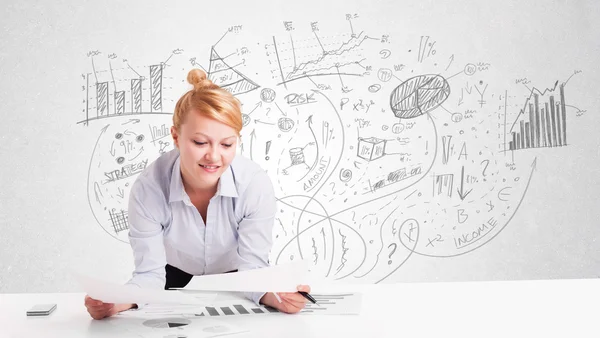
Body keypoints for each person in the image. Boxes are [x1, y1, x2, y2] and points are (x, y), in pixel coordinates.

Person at [84, 69, 310, 320]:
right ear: (176, 137)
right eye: (200, 142)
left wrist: (280, 296)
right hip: (174, 283)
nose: (214, 156)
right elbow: (149, 274)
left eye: (226, 144)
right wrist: (117, 302)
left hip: (237, 282)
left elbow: (253, 270)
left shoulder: (253, 185)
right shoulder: (148, 189)